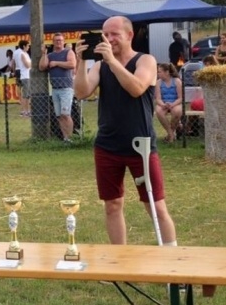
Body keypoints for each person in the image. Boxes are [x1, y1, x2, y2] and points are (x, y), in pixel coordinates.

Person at [73, 16, 177, 247]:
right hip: (107, 145)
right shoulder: (101, 65)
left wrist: (112, 61)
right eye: (105, 35)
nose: (109, 40)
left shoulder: (146, 61)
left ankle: (173, 262)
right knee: (112, 205)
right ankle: (119, 262)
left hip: (141, 145)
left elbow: (137, 88)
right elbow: (81, 92)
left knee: (155, 204)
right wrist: (81, 63)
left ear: (129, 35)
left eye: (114, 35)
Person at [39, 33, 77, 143]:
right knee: (59, 115)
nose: (58, 42)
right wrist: (44, 54)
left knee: (66, 114)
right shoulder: (50, 55)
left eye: (60, 40)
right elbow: (42, 67)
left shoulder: (68, 52)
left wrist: (56, 63)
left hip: (66, 88)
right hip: (55, 89)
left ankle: (70, 138)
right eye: (56, 40)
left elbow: (72, 64)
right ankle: (65, 138)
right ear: (53, 42)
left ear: (64, 41)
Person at [154, 63, 183, 143]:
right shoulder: (158, 83)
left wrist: (173, 104)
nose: (158, 73)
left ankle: (170, 134)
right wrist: (163, 104)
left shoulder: (177, 81)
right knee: (159, 111)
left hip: (175, 103)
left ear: (167, 72)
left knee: (177, 111)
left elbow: (181, 98)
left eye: (159, 72)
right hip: (164, 103)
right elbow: (158, 99)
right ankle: (171, 134)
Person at [14, 39, 32, 116]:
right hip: (25, 75)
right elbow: (27, 65)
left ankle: (26, 110)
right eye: (28, 46)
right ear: (24, 46)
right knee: (25, 95)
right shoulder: (22, 54)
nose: (29, 47)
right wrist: (32, 63)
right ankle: (25, 111)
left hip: (27, 75)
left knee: (27, 95)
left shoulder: (25, 53)